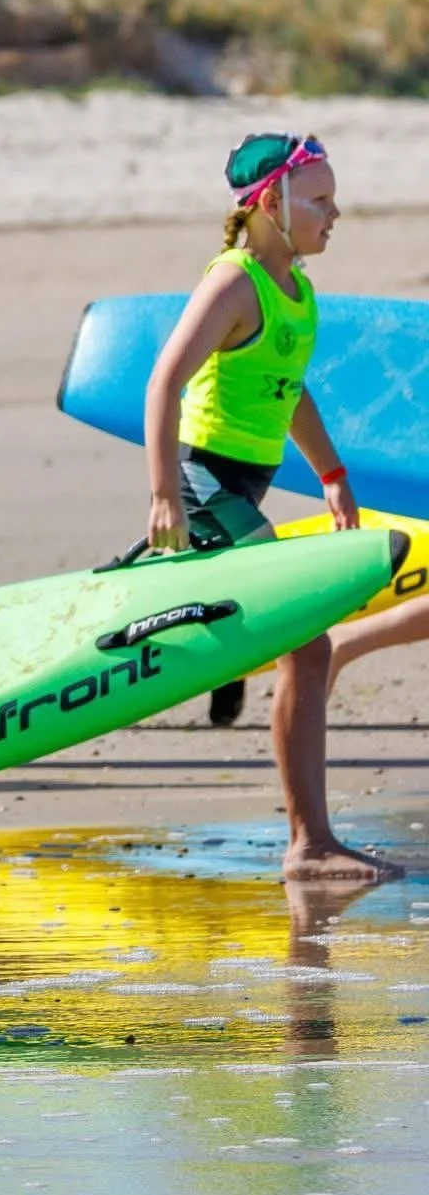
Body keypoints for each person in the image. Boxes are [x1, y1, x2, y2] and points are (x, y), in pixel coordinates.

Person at [140, 132, 400, 881]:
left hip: (243, 485)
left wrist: (332, 471)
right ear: (268, 205)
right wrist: (163, 494)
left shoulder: (298, 289)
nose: (335, 212)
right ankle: (309, 843)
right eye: (319, 199)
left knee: (282, 635)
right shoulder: (235, 281)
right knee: (308, 643)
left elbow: (290, 391)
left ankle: (227, 658)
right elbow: (163, 384)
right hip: (204, 481)